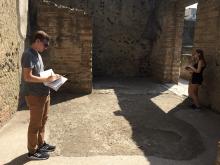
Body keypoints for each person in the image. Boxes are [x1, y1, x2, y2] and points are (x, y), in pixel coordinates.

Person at [21, 30, 60, 160]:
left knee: (43, 121)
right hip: (34, 95)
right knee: (35, 124)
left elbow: (39, 74)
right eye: (45, 44)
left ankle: (41, 144)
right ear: (37, 41)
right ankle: (32, 152)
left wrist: (53, 77)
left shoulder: (37, 54)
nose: (46, 47)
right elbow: (27, 77)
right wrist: (46, 79)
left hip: (43, 93)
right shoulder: (28, 55)